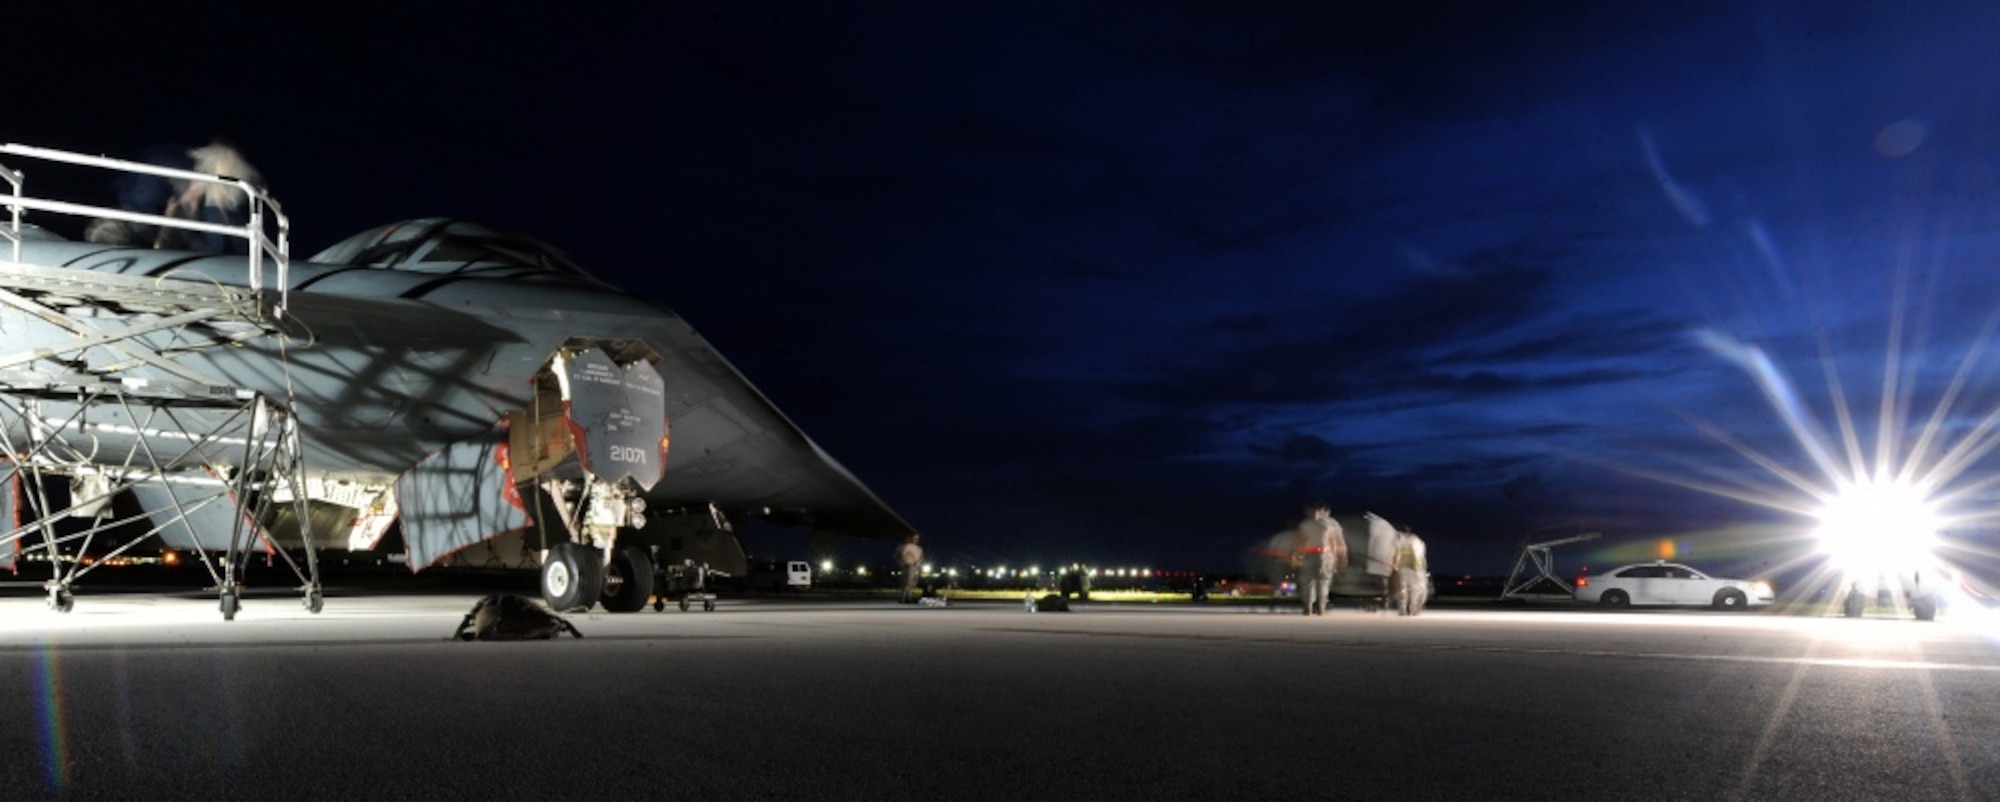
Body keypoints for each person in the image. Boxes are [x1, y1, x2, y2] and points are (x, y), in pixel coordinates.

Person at [1294, 504, 1346, 616]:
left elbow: (1300, 542)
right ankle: (1321, 608)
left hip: (1309, 553)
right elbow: (1334, 544)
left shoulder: (1304, 524)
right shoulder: (1328, 525)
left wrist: (1296, 555)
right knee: (1324, 581)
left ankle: (1308, 607)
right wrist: (1335, 558)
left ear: (1309, 511)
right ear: (1322, 511)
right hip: (1325, 554)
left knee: (1307, 580)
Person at [896, 533, 924, 603]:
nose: (916, 540)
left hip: (916, 566)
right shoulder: (908, 546)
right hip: (909, 566)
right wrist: (907, 562)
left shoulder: (919, 548)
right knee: (907, 582)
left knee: (913, 582)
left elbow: (922, 556)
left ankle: (909, 596)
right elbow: (903, 555)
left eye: (917, 539)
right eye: (915, 538)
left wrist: (920, 561)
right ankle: (904, 597)